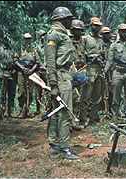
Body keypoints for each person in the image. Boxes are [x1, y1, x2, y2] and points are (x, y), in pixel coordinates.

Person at [45, 6, 78, 160]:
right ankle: (63, 148)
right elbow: (51, 62)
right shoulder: (54, 35)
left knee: (57, 112)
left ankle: (55, 145)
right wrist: (53, 84)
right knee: (64, 113)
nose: (71, 21)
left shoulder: (63, 34)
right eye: (69, 18)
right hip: (60, 77)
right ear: (62, 20)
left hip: (65, 75)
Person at [104, 23, 126, 119]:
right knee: (116, 95)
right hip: (117, 72)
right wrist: (105, 71)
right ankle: (115, 115)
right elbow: (109, 60)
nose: (124, 33)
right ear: (119, 32)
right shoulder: (114, 45)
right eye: (122, 31)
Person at [80, 17, 105, 126]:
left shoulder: (101, 39)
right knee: (86, 95)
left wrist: (101, 58)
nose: (97, 27)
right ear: (91, 26)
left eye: (99, 26)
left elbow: (103, 53)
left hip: (99, 69)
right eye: (95, 25)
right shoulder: (85, 38)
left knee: (97, 95)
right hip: (89, 69)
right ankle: (83, 119)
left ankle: (93, 117)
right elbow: (81, 53)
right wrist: (92, 57)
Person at [15, 33, 40, 118]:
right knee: (21, 92)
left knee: (30, 92)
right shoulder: (20, 49)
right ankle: (21, 109)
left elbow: (37, 62)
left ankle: (26, 109)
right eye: (26, 39)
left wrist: (31, 70)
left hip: (31, 72)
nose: (27, 40)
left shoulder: (34, 50)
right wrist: (22, 68)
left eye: (29, 39)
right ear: (23, 39)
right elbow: (15, 60)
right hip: (21, 72)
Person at [70, 19, 86, 129]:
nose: (78, 32)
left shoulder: (84, 41)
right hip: (71, 71)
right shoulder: (68, 41)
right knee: (72, 97)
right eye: (76, 30)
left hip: (82, 71)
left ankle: (77, 119)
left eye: (80, 30)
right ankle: (70, 121)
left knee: (81, 98)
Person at [0, 45, 17, 119]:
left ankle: (9, 112)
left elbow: (16, 61)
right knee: (3, 95)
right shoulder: (0, 49)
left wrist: (14, 70)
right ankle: (2, 113)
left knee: (11, 94)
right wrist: (0, 73)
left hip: (11, 74)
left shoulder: (13, 50)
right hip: (3, 73)